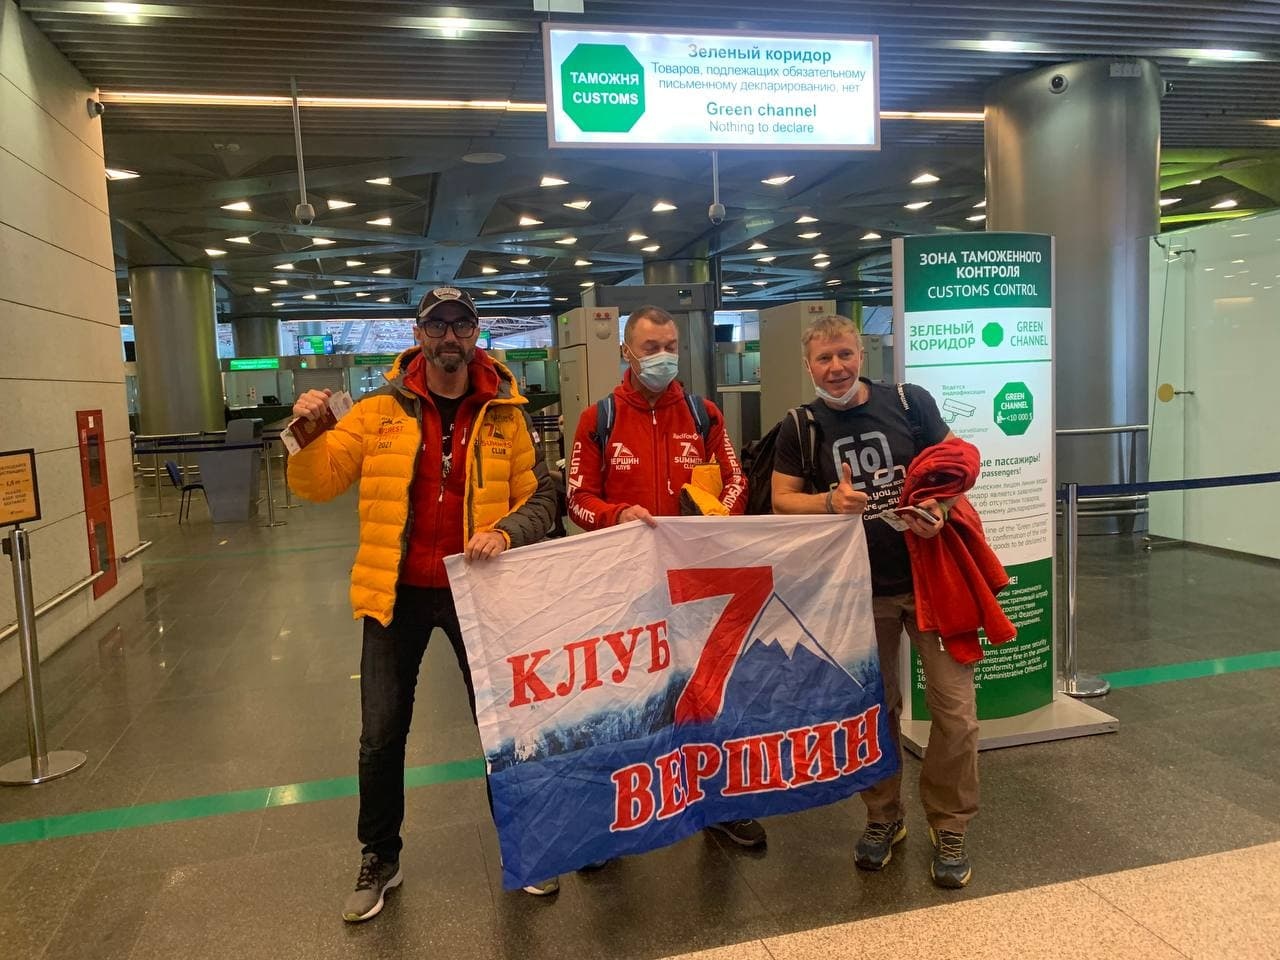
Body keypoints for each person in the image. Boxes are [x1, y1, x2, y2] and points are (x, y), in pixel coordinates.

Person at [287, 286, 558, 919]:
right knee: (381, 735)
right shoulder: (377, 411)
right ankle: (380, 856)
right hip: (395, 593)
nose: (449, 337)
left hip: (480, 591)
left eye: (461, 325)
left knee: (502, 729)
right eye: (437, 326)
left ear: (476, 334)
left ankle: (524, 845)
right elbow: (319, 483)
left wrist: (506, 531)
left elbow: (541, 498)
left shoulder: (506, 413)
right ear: (418, 335)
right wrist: (307, 430)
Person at [769, 314, 979, 890]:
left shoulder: (910, 403)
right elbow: (782, 499)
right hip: (856, 591)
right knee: (874, 709)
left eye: (845, 354)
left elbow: (954, 469)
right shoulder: (800, 426)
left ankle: (950, 823)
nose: (836, 367)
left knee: (956, 713)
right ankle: (884, 816)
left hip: (931, 582)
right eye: (823, 359)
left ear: (861, 355)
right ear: (808, 366)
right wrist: (830, 503)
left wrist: (938, 510)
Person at [566, 304, 765, 849]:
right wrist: (617, 516)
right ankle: (610, 814)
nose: (662, 357)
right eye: (651, 347)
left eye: (670, 346)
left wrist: (718, 514)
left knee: (705, 692)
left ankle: (717, 801)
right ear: (626, 351)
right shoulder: (599, 419)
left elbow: (736, 480)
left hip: (695, 582)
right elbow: (577, 499)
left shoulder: (703, 415)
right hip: (623, 585)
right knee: (620, 700)